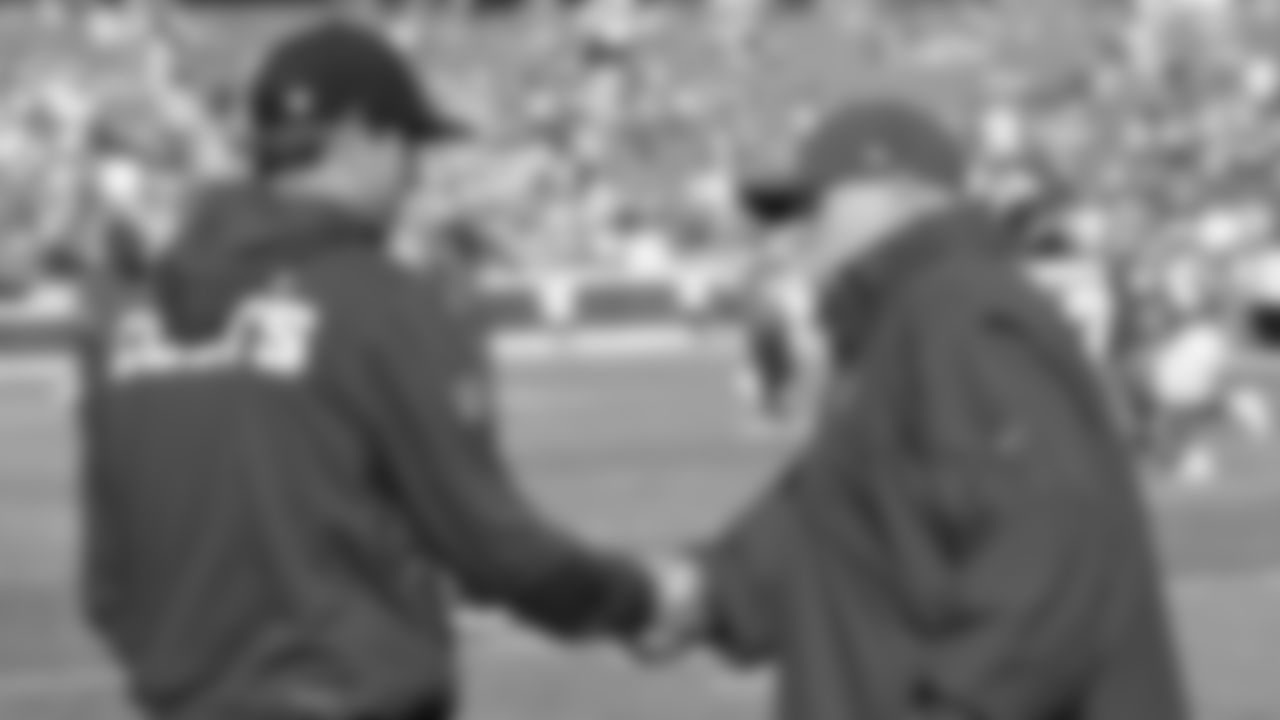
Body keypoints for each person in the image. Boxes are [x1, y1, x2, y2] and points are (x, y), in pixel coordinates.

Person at [76, 21, 679, 720]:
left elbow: (109, 588)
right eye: (409, 143)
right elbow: (494, 546)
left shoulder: (124, 325)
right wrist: (638, 600)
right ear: (362, 137)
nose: (415, 172)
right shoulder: (381, 304)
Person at [639, 99, 1190, 720]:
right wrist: (681, 595)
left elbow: (1053, 539)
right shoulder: (898, 333)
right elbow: (833, 525)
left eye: (811, 204)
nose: (792, 231)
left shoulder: (956, 313)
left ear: (896, 192)